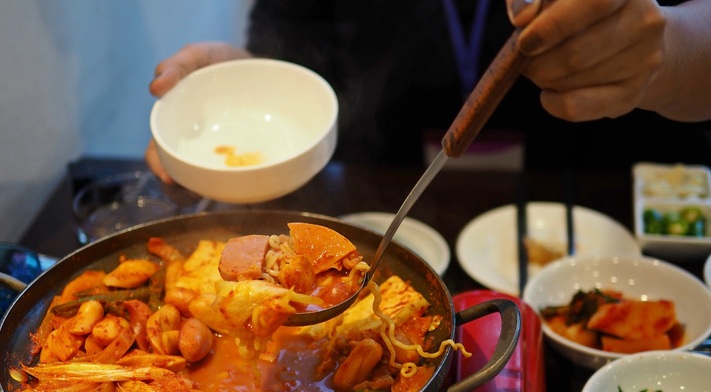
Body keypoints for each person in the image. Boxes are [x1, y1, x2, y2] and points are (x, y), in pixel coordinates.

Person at [145, 0, 711, 182]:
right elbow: (298, 45)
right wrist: (248, 94)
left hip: (598, 198)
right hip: (385, 214)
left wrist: (665, 55)